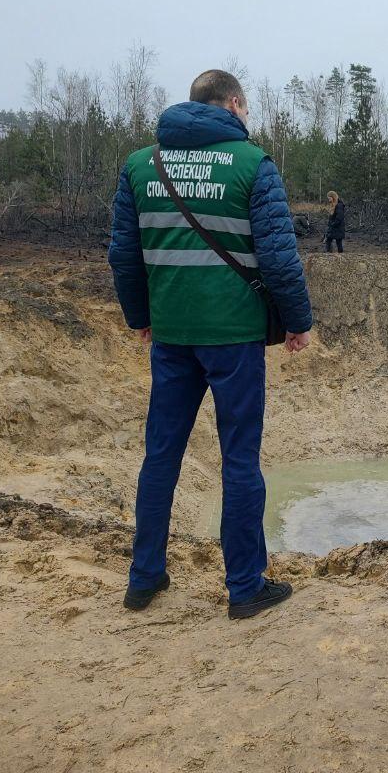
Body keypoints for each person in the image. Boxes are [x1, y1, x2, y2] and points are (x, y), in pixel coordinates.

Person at [107, 69, 314, 620]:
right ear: (235, 103)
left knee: (160, 456)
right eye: (245, 108)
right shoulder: (253, 163)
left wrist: (140, 317)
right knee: (239, 461)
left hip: (172, 335)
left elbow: (123, 254)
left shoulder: (139, 165)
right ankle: (245, 587)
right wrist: (297, 321)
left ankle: (144, 577)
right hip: (235, 338)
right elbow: (278, 256)